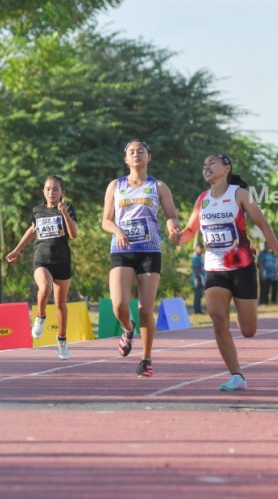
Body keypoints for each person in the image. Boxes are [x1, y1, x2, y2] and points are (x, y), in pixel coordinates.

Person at [178, 152, 278, 391]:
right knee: (217, 320)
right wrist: (178, 237)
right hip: (215, 267)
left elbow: (263, 224)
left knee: (248, 330)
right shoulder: (202, 199)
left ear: (226, 168)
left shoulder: (239, 194)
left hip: (242, 267)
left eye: (211, 163)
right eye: (203, 164)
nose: (206, 167)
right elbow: (189, 231)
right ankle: (237, 375)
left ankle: (242, 309)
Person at [102, 139, 181, 378]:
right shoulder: (116, 185)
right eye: (131, 152)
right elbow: (106, 220)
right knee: (119, 305)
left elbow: (171, 216)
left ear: (149, 157)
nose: (136, 154)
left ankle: (146, 359)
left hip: (149, 251)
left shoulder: (158, 187)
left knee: (145, 308)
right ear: (126, 159)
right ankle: (128, 329)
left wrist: (172, 228)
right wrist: (117, 231)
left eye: (141, 151)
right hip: (122, 250)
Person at [6, 176, 78, 360]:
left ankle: (62, 339)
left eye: (55, 189)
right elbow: (32, 230)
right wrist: (16, 250)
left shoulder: (67, 209)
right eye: (47, 189)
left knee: (61, 304)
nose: (51, 193)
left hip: (62, 262)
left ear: (62, 192)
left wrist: (65, 214)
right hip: (42, 260)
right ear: (43, 191)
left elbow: (74, 234)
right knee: (45, 287)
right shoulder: (38, 210)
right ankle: (40, 316)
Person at [191, 243, 205, 314]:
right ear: (196, 248)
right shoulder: (196, 257)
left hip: (201, 278)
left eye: (202, 248)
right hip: (198, 278)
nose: (201, 250)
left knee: (200, 294)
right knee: (197, 294)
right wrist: (198, 279)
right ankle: (197, 310)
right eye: (199, 248)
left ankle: (199, 309)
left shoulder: (201, 257)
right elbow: (195, 269)